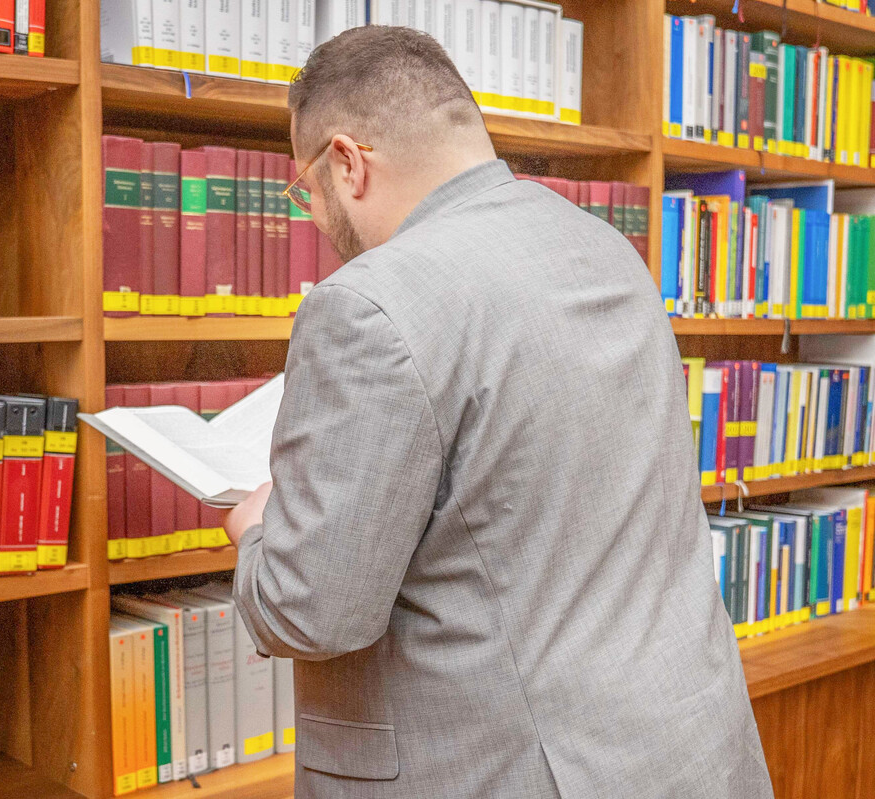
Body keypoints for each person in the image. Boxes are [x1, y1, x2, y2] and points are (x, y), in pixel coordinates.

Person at [221, 25, 774, 799]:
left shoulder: (369, 303)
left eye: (303, 188)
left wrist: (258, 532)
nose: (311, 213)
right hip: (689, 750)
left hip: (514, 771)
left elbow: (315, 612)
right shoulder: (607, 248)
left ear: (347, 162)